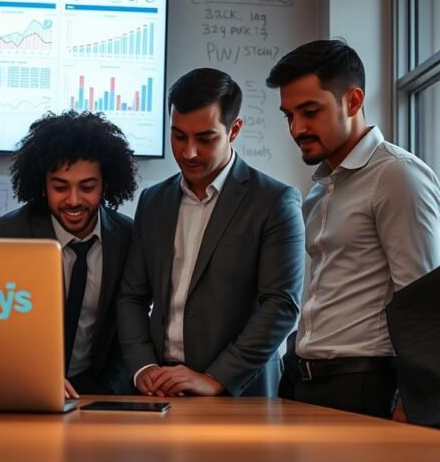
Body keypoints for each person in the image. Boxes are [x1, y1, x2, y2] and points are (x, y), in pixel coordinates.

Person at [266, 38, 440, 418]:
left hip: (363, 384)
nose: (297, 128)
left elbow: (419, 298)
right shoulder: (320, 189)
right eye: (289, 116)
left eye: (309, 111)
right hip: (301, 378)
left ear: (353, 100)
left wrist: (413, 397)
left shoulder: (397, 175)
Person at [116, 68, 304, 397]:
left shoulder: (274, 201)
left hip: (239, 392)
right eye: (178, 136)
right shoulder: (153, 200)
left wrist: (216, 378)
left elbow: (281, 305)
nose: (188, 152)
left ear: (234, 130)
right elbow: (132, 296)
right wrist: (143, 366)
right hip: (160, 389)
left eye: (205, 139)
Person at [0, 111, 138, 396]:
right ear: (42, 186)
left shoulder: (129, 237)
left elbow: (130, 330)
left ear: (106, 184)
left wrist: (107, 393)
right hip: (25, 386)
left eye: (88, 187)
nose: (73, 200)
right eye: (60, 187)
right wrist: (33, 378)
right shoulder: (9, 234)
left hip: (98, 392)